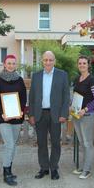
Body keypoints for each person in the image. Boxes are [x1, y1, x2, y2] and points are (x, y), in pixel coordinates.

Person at [28, 51, 70, 180]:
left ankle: (54, 168)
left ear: (54, 61)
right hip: (40, 114)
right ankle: (44, 168)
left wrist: (64, 113)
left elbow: (66, 96)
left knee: (56, 142)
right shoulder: (36, 76)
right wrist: (31, 114)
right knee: (41, 143)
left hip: (56, 115)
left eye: (50, 60)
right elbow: (32, 96)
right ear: (42, 61)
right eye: (45, 60)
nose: (48, 62)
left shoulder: (62, 75)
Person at [0, 54, 27, 186]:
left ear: (15, 65)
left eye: (13, 63)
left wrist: (21, 111)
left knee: (12, 145)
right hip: (4, 118)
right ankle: (6, 173)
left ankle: (9, 170)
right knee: (9, 144)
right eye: (9, 63)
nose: (11, 65)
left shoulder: (20, 80)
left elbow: (23, 98)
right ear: (4, 65)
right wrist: (2, 114)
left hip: (17, 118)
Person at [71, 55, 94, 179]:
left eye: (84, 63)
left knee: (87, 143)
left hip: (87, 115)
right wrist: (72, 106)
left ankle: (87, 170)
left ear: (88, 65)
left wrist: (85, 109)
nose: (82, 65)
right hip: (76, 115)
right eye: (80, 63)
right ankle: (84, 166)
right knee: (82, 142)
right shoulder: (77, 79)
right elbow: (75, 96)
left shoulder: (92, 80)